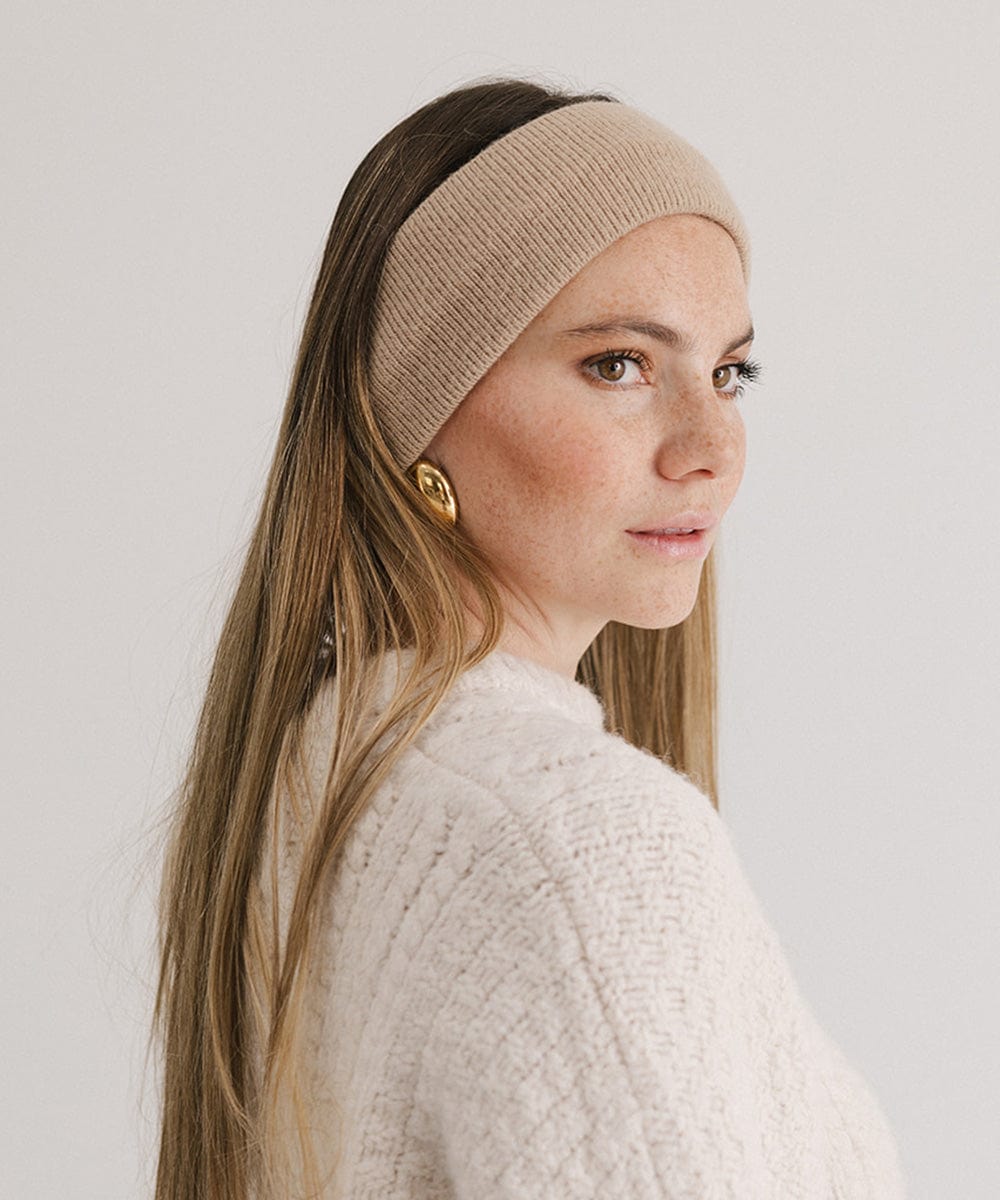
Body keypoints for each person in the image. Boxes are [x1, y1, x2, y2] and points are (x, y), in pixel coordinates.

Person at [153, 78, 908, 1199]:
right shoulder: (580, 840)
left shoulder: (328, 770)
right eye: (619, 365)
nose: (711, 445)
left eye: (729, 373)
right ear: (424, 407)